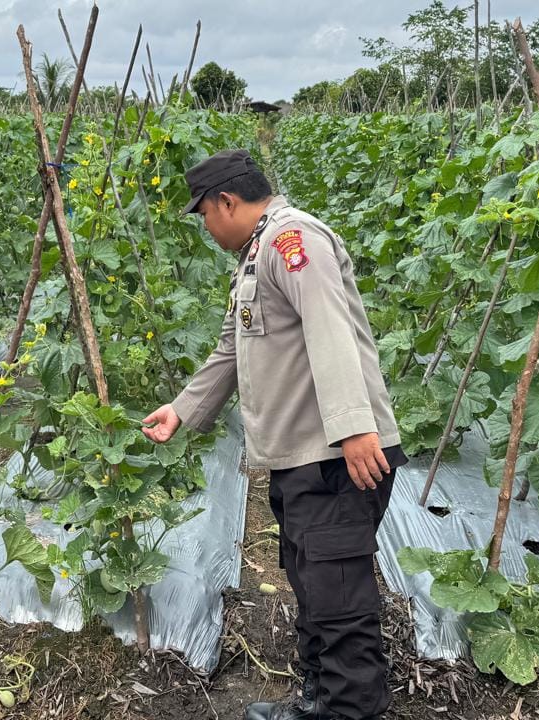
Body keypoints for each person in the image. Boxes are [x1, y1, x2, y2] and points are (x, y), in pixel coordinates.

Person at [141, 149, 408, 720]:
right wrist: (183, 410)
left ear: (227, 202)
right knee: (312, 585)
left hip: (338, 455)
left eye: (204, 215)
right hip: (301, 458)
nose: (206, 228)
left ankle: (350, 710)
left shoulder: (293, 240)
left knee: (339, 601)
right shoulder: (256, 255)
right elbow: (231, 349)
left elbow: (329, 329)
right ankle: (320, 701)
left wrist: (355, 428)